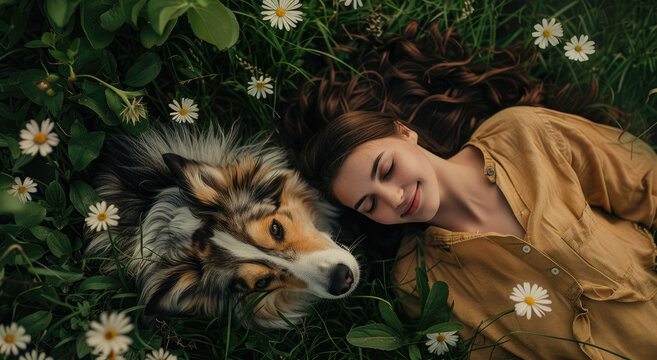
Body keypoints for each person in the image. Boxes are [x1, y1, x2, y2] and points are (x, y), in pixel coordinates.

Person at [279, 21, 657, 359]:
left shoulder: (524, 135)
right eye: (370, 202)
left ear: (404, 132)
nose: (393, 198)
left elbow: (646, 182)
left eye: (388, 169)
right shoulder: (418, 281)